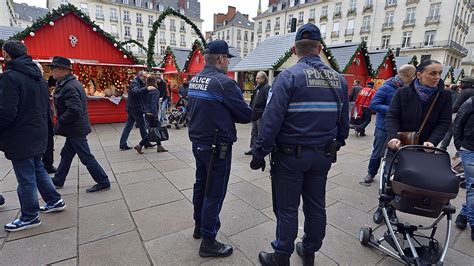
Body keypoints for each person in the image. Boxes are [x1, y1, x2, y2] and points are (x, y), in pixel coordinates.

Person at [250, 24, 349, 265]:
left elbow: (271, 122)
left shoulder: (288, 77)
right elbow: (343, 123)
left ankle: (281, 255)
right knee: (316, 205)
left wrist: (259, 152)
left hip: (290, 157)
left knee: (287, 208)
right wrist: (337, 142)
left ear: (294, 49)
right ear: (320, 48)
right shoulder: (339, 80)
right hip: (322, 155)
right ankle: (309, 248)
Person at [187, 40, 252, 258]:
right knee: (214, 192)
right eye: (228, 60)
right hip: (217, 146)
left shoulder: (196, 79)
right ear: (221, 59)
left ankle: (199, 226)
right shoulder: (224, 83)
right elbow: (245, 115)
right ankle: (209, 241)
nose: (228, 65)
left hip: (199, 143)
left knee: (200, 185)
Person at [373, 59, 452, 224]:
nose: (437, 77)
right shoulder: (403, 92)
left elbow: (444, 122)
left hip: (424, 149)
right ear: (419, 74)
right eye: (432, 73)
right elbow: (392, 116)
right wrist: (392, 137)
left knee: (409, 180)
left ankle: (399, 204)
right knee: (389, 178)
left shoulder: (444, 95)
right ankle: (384, 207)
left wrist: (432, 141)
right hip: (399, 144)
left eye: (439, 73)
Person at [0, 40, 65, 231]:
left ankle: (30, 216)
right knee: (38, 169)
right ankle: (54, 200)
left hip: (21, 134)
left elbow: (6, 111)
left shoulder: (10, 77)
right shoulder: (37, 75)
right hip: (38, 131)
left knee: (26, 177)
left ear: (6, 54)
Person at [48, 56, 111, 193]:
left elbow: (75, 110)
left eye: (53, 68)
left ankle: (103, 180)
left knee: (86, 157)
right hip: (74, 128)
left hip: (75, 129)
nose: (52, 71)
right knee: (66, 154)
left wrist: (60, 121)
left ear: (61, 70)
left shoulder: (69, 86)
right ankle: (58, 179)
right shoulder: (68, 83)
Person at [361, 64, 416, 185]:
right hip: (383, 127)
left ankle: (388, 177)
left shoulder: (409, 88)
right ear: (409, 75)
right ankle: (371, 173)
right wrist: (394, 109)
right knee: (377, 152)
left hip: (399, 128)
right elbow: (374, 105)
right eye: (414, 75)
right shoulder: (386, 87)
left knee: (395, 154)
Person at [453, 95, 474, 240]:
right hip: (470, 149)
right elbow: (458, 122)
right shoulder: (471, 102)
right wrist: (459, 145)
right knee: (473, 186)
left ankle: (464, 214)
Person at [119, 71, 154, 150]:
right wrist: (146, 88)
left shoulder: (139, 83)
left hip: (133, 108)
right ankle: (146, 143)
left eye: (146, 78)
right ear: (140, 76)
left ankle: (122, 144)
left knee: (128, 127)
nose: (145, 79)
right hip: (135, 109)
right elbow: (136, 92)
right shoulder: (135, 83)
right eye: (144, 77)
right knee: (142, 126)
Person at [134, 75, 168, 154]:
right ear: (154, 82)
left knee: (156, 130)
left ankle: (159, 146)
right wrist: (156, 115)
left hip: (147, 113)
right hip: (152, 114)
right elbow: (153, 104)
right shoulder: (155, 91)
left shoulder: (145, 90)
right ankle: (140, 145)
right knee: (153, 132)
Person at [34, 61, 57, 174]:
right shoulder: (40, 82)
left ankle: (47, 165)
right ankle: (47, 165)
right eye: (42, 71)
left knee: (48, 143)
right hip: (42, 119)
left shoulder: (42, 82)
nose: (43, 72)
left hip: (45, 118)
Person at [245, 71, 271, 156]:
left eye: (258, 78)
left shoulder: (267, 88)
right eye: (256, 78)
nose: (256, 80)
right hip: (255, 114)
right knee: (254, 132)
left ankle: (261, 149)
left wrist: (264, 114)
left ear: (263, 78)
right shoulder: (258, 87)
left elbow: (268, 102)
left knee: (261, 133)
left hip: (261, 115)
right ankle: (253, 148)